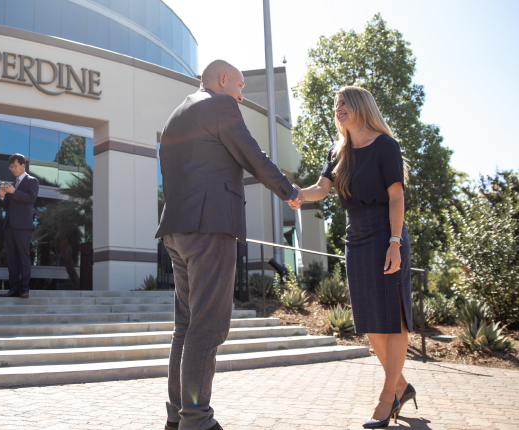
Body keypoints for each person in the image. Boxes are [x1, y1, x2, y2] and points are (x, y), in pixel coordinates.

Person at [155, 59, 303, 430]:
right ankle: (198, 421)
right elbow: (252, 153)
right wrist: (290, 191)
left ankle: (178, 418)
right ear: (223, 81)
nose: (240, 94)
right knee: (207, 327)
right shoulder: (220, 105)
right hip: (210, 228)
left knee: (185, 328)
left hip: (177, 229)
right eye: (239, 86)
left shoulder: (177, 113)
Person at [289, 86, 415, 428]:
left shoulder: (385, 145)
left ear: (360, 106)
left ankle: (387, 396)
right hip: (355, 235)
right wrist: (296, 194)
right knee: (369, 319)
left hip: (385, 231)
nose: (338, 108)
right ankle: (401, 385)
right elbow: (322, 188)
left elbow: (396, 198)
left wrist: (394, 243)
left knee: (393, 316)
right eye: (335, 105)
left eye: (344, 102)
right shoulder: (339, 151)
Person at [0, 153, 39, 299]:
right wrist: (3, 195)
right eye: (11, 167)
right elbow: (6, 205)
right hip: (9, 225)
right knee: (11, 257)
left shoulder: (32, 181)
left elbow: (31, 198)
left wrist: (14, 192)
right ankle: (13, 289)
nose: (13, 169)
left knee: (24, 257)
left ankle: (24, 289)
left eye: (15, 166)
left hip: (23, 226)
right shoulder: (12, 184)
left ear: (23, 165)